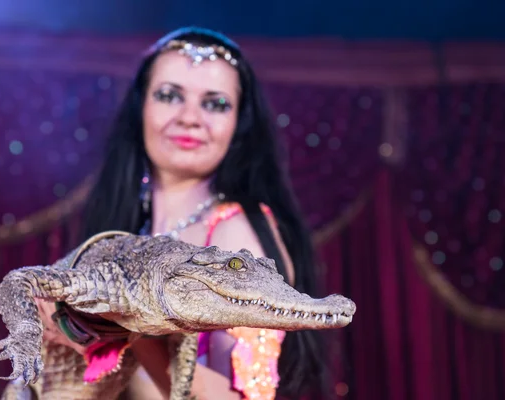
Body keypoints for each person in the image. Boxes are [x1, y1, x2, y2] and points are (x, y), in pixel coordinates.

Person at [38, 26, 326, 400]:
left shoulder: (235, 235)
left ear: (238, 125)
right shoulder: (129, 228)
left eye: (215, 103)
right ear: (141, 108)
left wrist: (127, 323)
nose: (190, 117)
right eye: (169, 95)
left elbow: (241, 399)